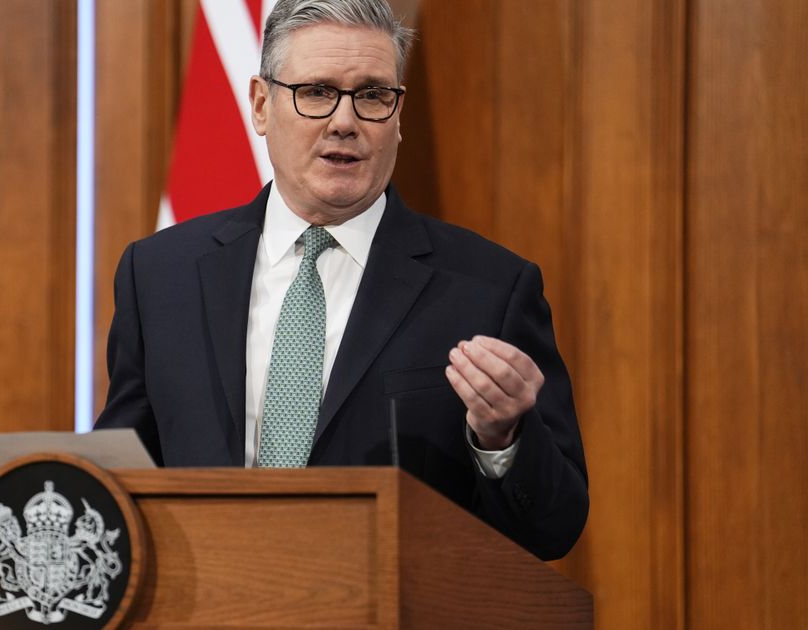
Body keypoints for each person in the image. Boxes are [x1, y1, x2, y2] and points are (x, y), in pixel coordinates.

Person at [95, 0, 588, 560]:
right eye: (317, 92)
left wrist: (503, 439)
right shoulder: (160, 276)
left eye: (372, 96)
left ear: (397, 116)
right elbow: (121, 480)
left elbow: (556, 527)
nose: (345, 122)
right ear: (261, 105)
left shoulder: (489, 289)